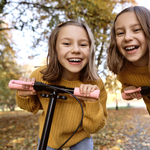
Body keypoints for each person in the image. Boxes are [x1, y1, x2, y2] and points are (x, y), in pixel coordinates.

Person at [16, 20, 108, 150]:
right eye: (66, 43)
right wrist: (23, 94)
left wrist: (93, 103)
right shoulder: (40, 76)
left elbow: (93, 127)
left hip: (80, 136)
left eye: (83, 44)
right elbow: (31, 107)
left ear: (90, 50)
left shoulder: (95, 84)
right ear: (55, 48)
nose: (76, 50)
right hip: (49, 135)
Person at [107, 6, 150, 114]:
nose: (127, 38)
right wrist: (128, 89)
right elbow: (125, 89)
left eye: (136, 30)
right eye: (120, 33)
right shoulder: (124, 73)